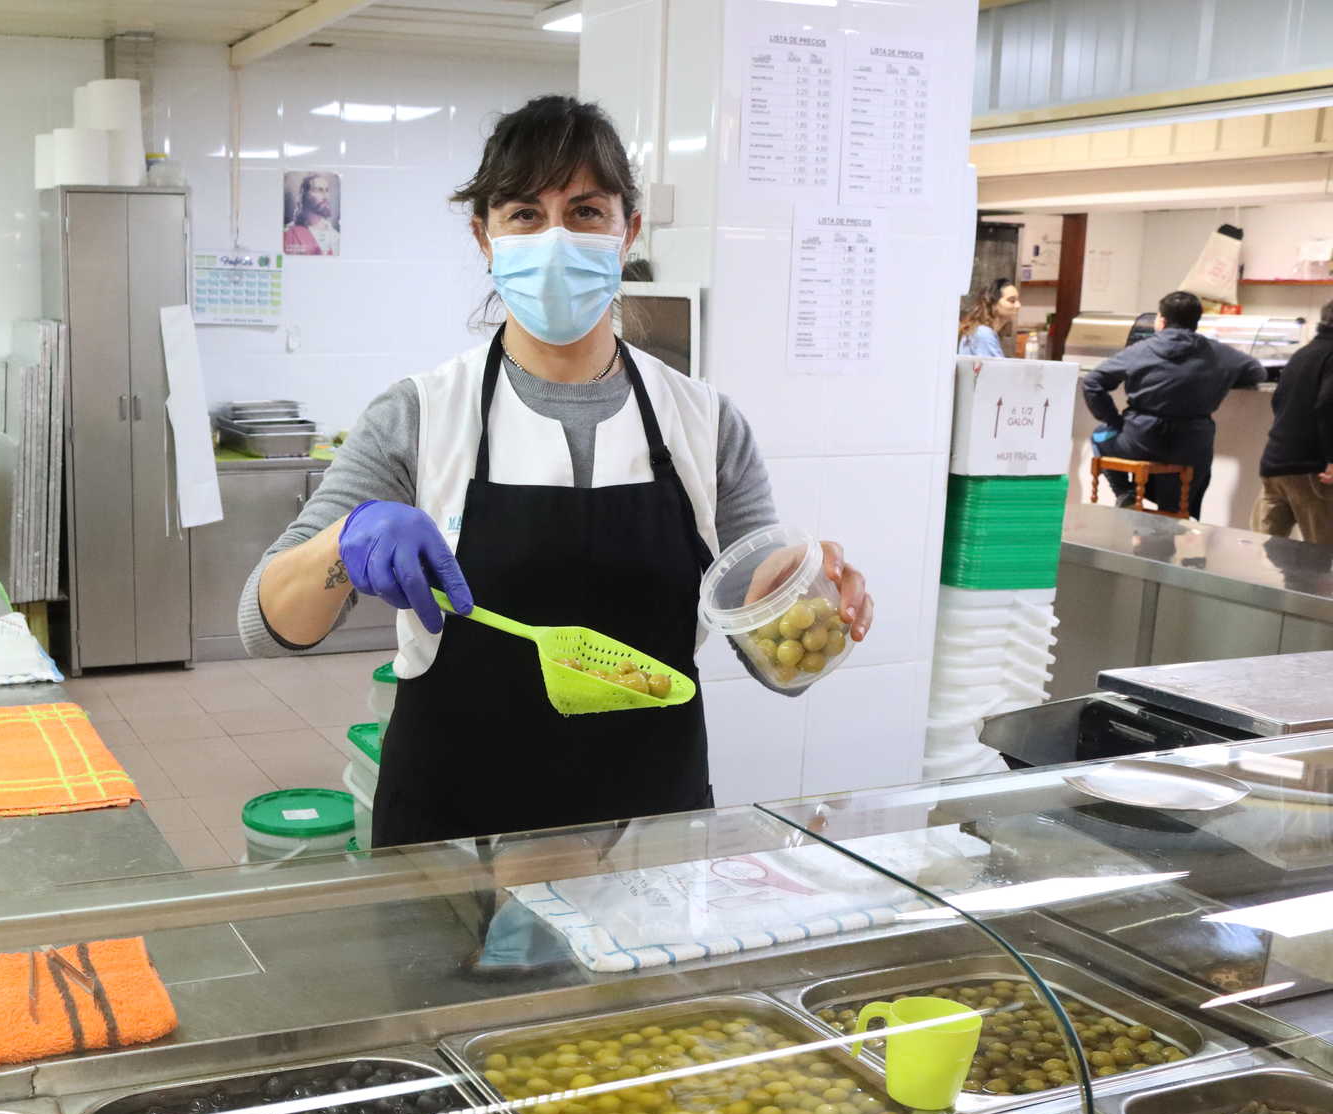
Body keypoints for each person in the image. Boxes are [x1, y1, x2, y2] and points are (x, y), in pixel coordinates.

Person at [239, 95, 874, 850]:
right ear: (485, 236)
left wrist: (811, 599)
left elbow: (776, 663)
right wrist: (341, 543)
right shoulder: (419, 415)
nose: (555, 238)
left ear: (627, 231)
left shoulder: (705, 424)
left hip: (648, 830)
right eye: (524, 215)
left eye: (585, 211)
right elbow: (267, 624)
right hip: (453, 832)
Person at [1080, 290, 1265, 512]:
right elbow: (1257, 373)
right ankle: (1175, 522)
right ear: (1197, 322)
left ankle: (1126, 495)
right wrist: (1222, 377)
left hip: (1140, 440)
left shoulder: (1141, 350)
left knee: (1100, 435)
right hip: (1192, 447)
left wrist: (1115, 421)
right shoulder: (1218, 353)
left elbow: (1092, 382)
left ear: (1162, 320)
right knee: (1177, 506)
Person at [1254, 299, 1333, 543]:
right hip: (1312, 470)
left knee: (1263, 555)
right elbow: (1328, 405)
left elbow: (1278, 400)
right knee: (1323, 558)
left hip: (1275, 463)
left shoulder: (1302, 353)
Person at [958, 279, 1019, 357]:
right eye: (1012, 300)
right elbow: (998, 368)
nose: (1018, 305)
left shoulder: (983, 331)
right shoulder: (983, 334)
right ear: (993, 304)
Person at [283, 174, 340, 256]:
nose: (326, 196)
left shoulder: (335, 236)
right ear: (304, 195)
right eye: (319, 190)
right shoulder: (289, 234)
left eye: (327, 190)